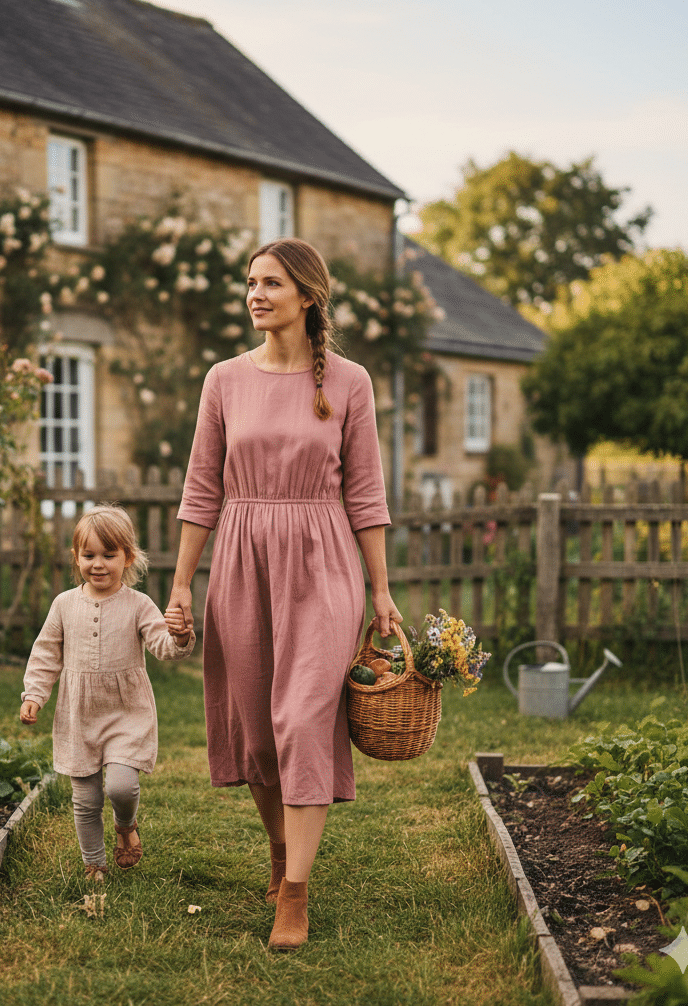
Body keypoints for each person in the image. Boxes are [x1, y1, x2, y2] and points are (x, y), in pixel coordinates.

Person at [165, 237, 402, 950]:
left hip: (323, 563)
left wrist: (382, 590)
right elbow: (202, 487)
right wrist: (180, 583)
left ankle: (295, 892)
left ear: (308, 297)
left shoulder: (350, 383)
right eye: (250, 282)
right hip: (241, 558)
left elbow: (365, 493)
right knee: (256, 724)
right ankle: (278, 846)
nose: (255, 294)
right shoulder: (224, 380)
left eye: (271, 283)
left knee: (302, 716)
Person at [21, 503, 195, 881]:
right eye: (88, 555)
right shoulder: (64, 605)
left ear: (127, 557)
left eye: (108, 555)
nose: (98, 564)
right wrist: (34, 695)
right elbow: (46, 653)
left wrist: (179, 637)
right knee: (85, 799)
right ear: (76, 557)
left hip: (125, 712)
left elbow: (162, 646)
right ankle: (94, 863)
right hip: (78, 716)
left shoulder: (138, 605)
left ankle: (125, 824)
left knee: (120, 786)